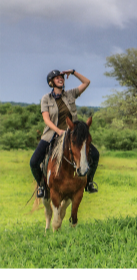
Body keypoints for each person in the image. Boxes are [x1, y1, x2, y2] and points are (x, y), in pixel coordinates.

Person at [30, 70, 99, 198]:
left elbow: (86, 82)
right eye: (56, 78)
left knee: (95, 154)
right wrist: (58, 131)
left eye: (61, 77)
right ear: (51, 82)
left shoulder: (70, 94)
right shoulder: (46, 98)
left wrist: (72, 72)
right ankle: (42, 186)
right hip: (52, 134)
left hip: (72, 134)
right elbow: (46, 119)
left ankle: (89, 183)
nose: (60, 79)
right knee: (33, 162)